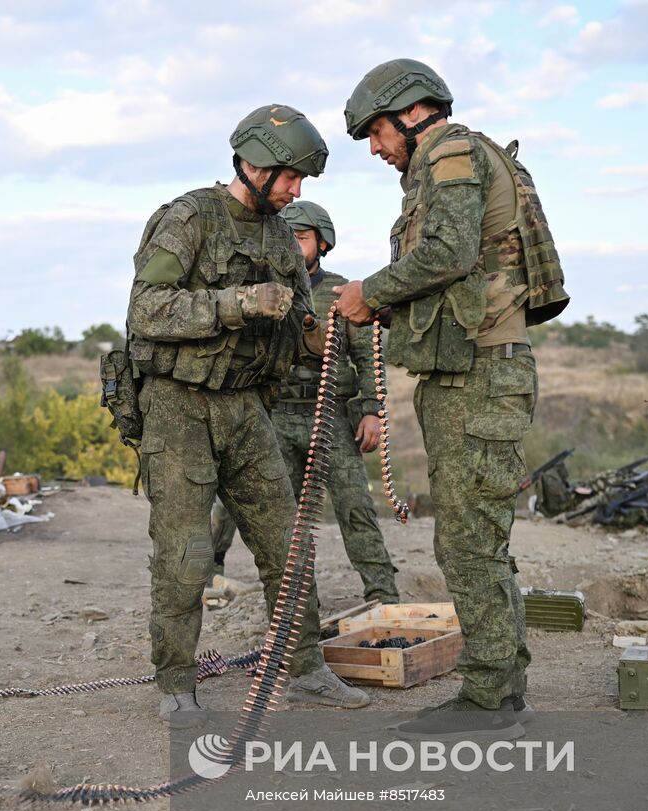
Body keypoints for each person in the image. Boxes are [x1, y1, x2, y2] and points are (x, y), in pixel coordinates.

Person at [330, 61, 568, 735]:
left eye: (376, 133)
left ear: (409, 113)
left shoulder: (452, 151)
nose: (375, 149)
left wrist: (368, 292)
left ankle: (491, 699)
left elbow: (450, 250)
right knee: (476, 539)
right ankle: (501, 685)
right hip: (468, 373)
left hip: (480, 374)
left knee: (467, 541)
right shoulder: (445, 157)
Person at [127, 105, 370, 725]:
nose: (295, 192)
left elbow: (295, 325)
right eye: (289, 178)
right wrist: (238, 303)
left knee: (287, 543)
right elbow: (148, 311)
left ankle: (307, 667)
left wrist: (324, 331)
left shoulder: (281, 235)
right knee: (184, 551)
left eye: (301, 182)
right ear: (254, 162)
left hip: (244, 407)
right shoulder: (188, 218)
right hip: (179, 406)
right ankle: (177, 682)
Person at [209, 200, 400, 605]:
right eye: (288, 238)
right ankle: (286, 600)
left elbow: (368, 356)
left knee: (355, 507)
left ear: (323, 242)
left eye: (302, 238)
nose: (294, 247)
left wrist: (372, 411)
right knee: (276, 517)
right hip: (275, 415)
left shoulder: (341, 293)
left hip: (328, 416)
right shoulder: (264, 292)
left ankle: (383, 595)